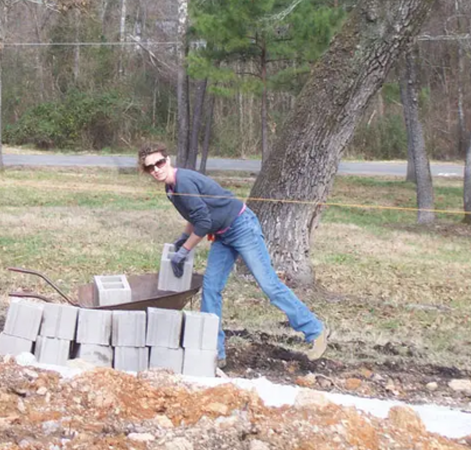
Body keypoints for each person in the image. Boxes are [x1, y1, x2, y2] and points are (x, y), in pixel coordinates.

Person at [138, 142, 329, 367]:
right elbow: (195, 215)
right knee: (211, 288)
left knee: (269, 285)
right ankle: (215, 352)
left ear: (168, 160)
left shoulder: (184, 182)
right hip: (222, 235)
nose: (156, 169)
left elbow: (203, 221)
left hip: (241, 227)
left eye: (159, 163)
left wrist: (185, 251)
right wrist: (182, 239)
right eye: (150, 168)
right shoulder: (171, 189)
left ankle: (315, 331)